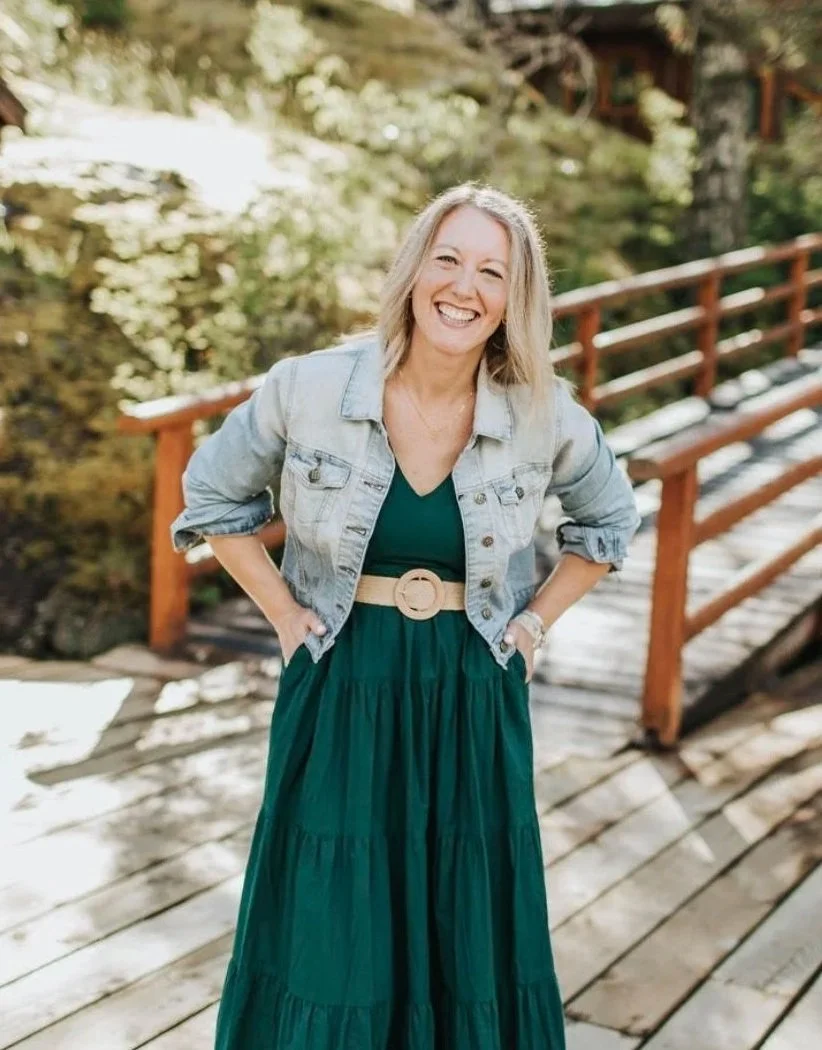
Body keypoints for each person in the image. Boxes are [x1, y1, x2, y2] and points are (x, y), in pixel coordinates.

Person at [171, 183, 641, 1050]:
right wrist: (280, 611)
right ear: (415, 269)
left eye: (491, 271)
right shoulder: (307, 387)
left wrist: (533, 625)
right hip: (342, 676)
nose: (465, 287)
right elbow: (208, 496)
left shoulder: (541, 411)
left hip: (471, 682)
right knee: (332, 920)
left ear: (513, 298)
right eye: (449, 259)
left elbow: (610, 522)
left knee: (464, 918)